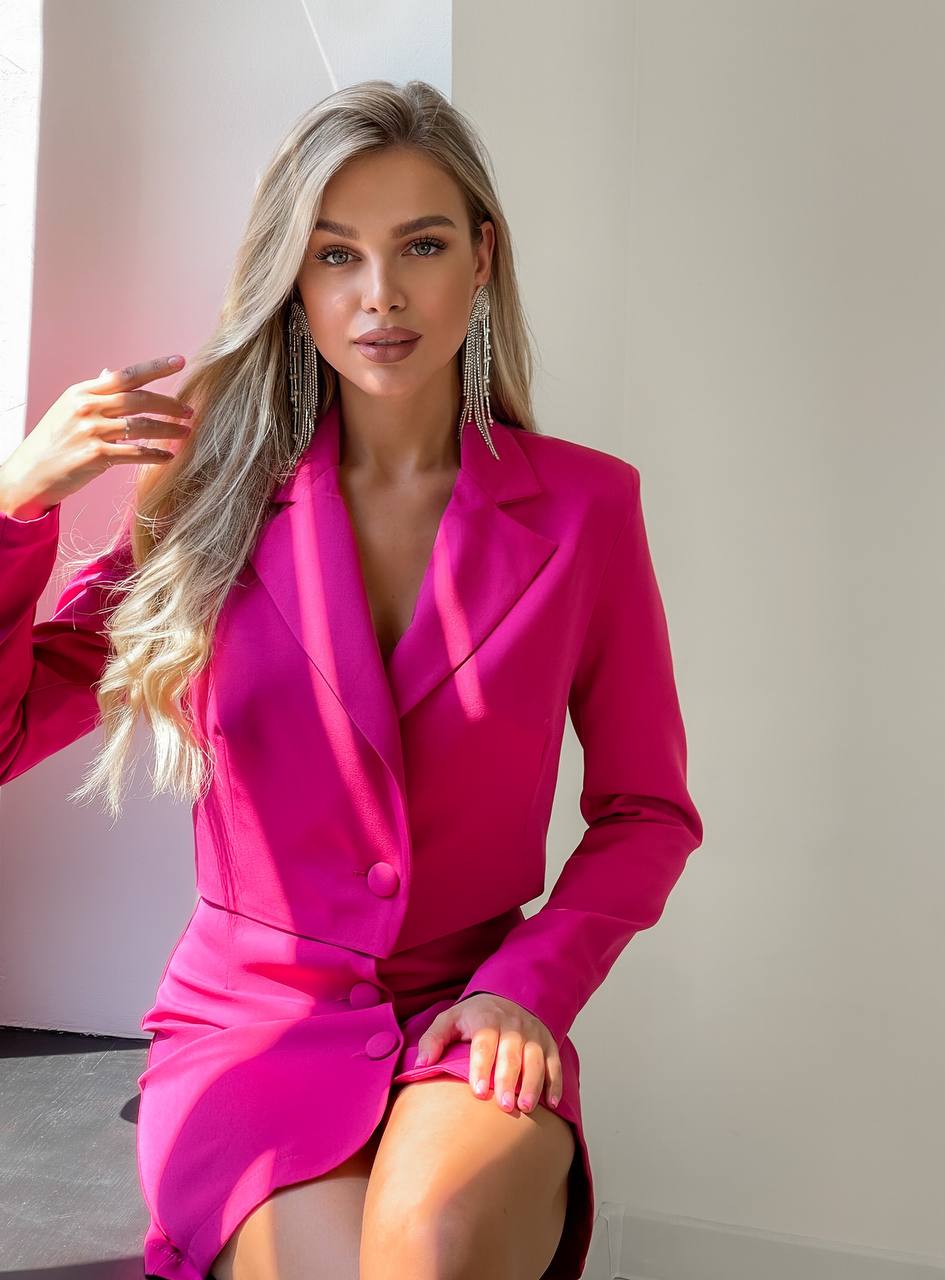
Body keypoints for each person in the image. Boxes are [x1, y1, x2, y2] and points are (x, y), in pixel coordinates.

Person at [0, 79, 704, 1280]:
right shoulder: (209, 510)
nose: (380, 295)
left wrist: (529, 987)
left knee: (428, 1247)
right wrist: (19, 503)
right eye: (336, 255)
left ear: (481, 260)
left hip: (471, 1015)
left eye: (420, 246)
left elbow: (647, 811)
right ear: (297, 282)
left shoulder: (589, 507)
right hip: (249, 1032)